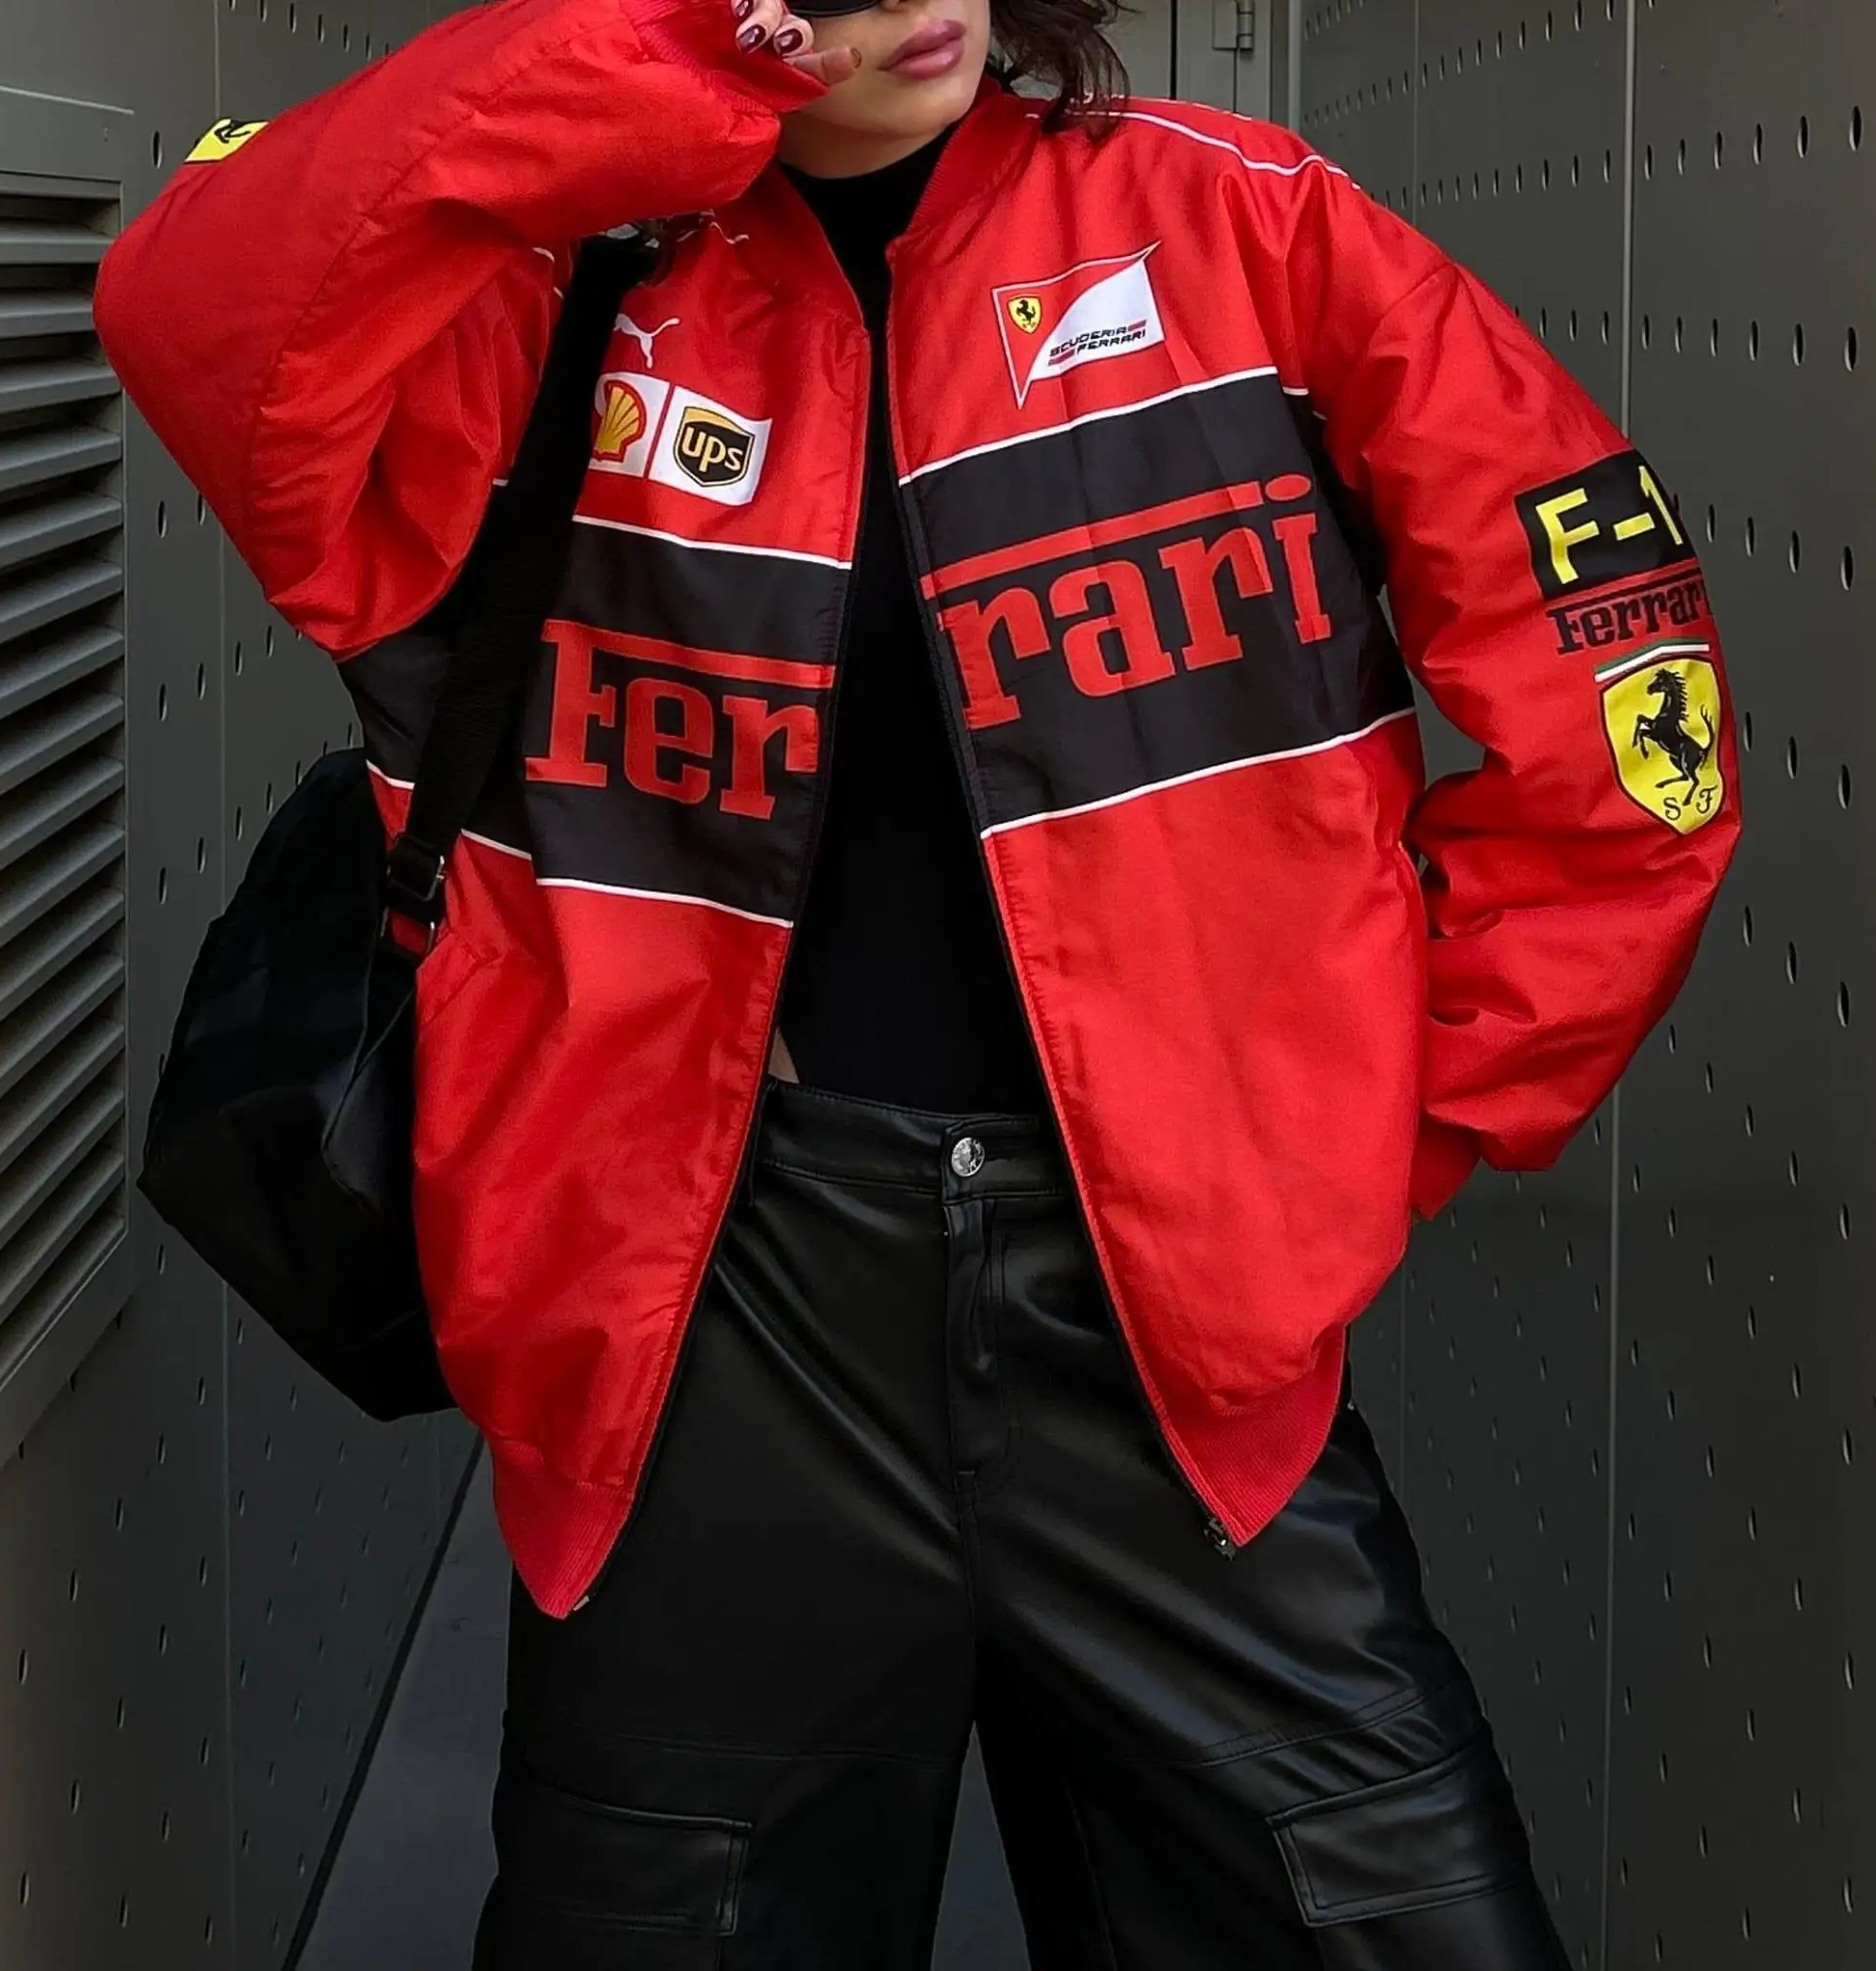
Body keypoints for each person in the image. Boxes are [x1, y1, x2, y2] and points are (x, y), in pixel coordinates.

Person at [94, 0, 1739, 1961]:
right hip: (712, 1341)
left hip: (1173, 1342)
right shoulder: (529, 309)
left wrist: (1371, 1131)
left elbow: (1620, 711)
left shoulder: (1252, 228)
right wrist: (666, 64)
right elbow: (199, 300)